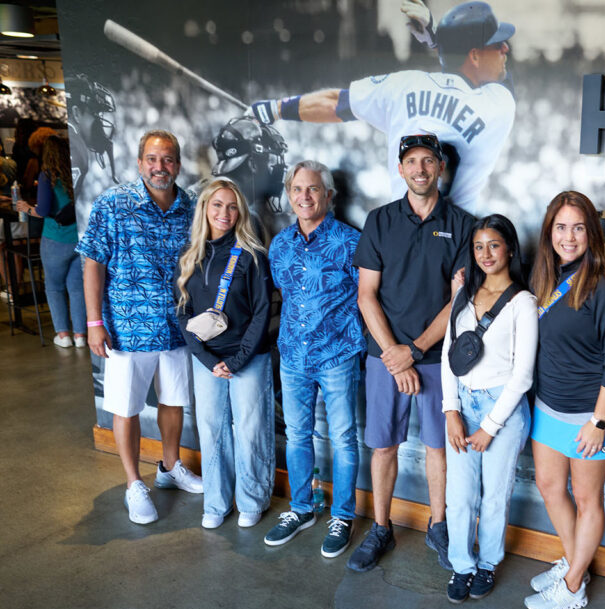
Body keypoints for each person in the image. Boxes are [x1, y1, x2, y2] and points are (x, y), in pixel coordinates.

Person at [250, 0, 515, 215]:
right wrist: (436, 39)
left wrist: (274, 109)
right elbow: (504, 81)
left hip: (402, 238)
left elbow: (337, 103)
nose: (505, 48)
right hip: (460, 246)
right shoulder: (498, 105)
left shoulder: (407, 84)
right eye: (496, 44)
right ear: (475, 55)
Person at [349, 133, 474, 572]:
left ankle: (438, 526)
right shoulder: (380, 221)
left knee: (439, 448)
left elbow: (459, 301)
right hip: (384, 356)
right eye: (411, 162)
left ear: (440, 167)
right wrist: (393, 355)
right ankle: (381, 528)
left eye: (428, 161)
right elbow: (367, 296)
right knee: (383, 447)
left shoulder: (462, 225)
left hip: (439, 356)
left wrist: (415, 349)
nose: (420, 169)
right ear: (400, 169)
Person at [77, 130, 203, 524]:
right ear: (139, 163)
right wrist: (94, 322)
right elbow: (93, 263)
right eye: (152, 159)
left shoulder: (192, 206)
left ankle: (169, 467)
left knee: (173, 401)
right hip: (126, 330)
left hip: (177, 327)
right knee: (126, 408)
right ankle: (134, 484)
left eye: (167, 160)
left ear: (178, 165)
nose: (159, 167)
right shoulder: (113, 204)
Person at [524, 190, 605, 609]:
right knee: (550, 488)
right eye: (561, 227)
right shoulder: (543, 278)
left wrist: (599, 422)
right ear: (550, 231)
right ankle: (576, 564)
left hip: (592, 415)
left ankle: (572, 588)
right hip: (549, 406)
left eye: (579, 227)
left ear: (593, 233)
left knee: (588, 500)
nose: (569, 237)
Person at [262, 161, 365, 557]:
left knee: (342, 438)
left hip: (337, 354)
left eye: (313, 189)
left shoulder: (349, 242)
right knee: (298, 435)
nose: (305, 196)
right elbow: (282, 295)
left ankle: (342, 515)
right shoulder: (281, 244)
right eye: (298, 189)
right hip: (292, 356)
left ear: (328, 195)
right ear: (290, 195)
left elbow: (366, 297)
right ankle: (301, 508)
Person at [441, 214, 537, 603]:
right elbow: (452, 357)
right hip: (464, 403)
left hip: (504, 410)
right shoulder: (463, 296)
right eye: (479, 246)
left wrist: (490, 426)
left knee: (495, 494)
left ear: (510, 249)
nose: (486, 254)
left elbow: (523, 375)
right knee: (460, 494)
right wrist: (450, 410)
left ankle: (487, 563)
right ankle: (462, 564)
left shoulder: (522, 303)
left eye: (494, 245)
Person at [175, 178, 274, 530]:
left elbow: (263, 311)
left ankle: (251, 499)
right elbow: (183, 315)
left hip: (248, 359)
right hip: (207, 362)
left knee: (250, 430)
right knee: (213, 430)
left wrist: (236, 361)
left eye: (232, 206)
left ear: (240, 213)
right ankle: (216, 502)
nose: (225, 213)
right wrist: (207, 360)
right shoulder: (190, 257)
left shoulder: (251, 255)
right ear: (204, 208)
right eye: (217, 205)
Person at [16, 136, 88, 349]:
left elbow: (43, 210)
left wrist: (25, 207)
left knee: (54, 287)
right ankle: (80, 335)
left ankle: (63, 335)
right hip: (79, 239)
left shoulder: (47, 176)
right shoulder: (77, 175)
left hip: (55, 239)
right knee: (76, 288)